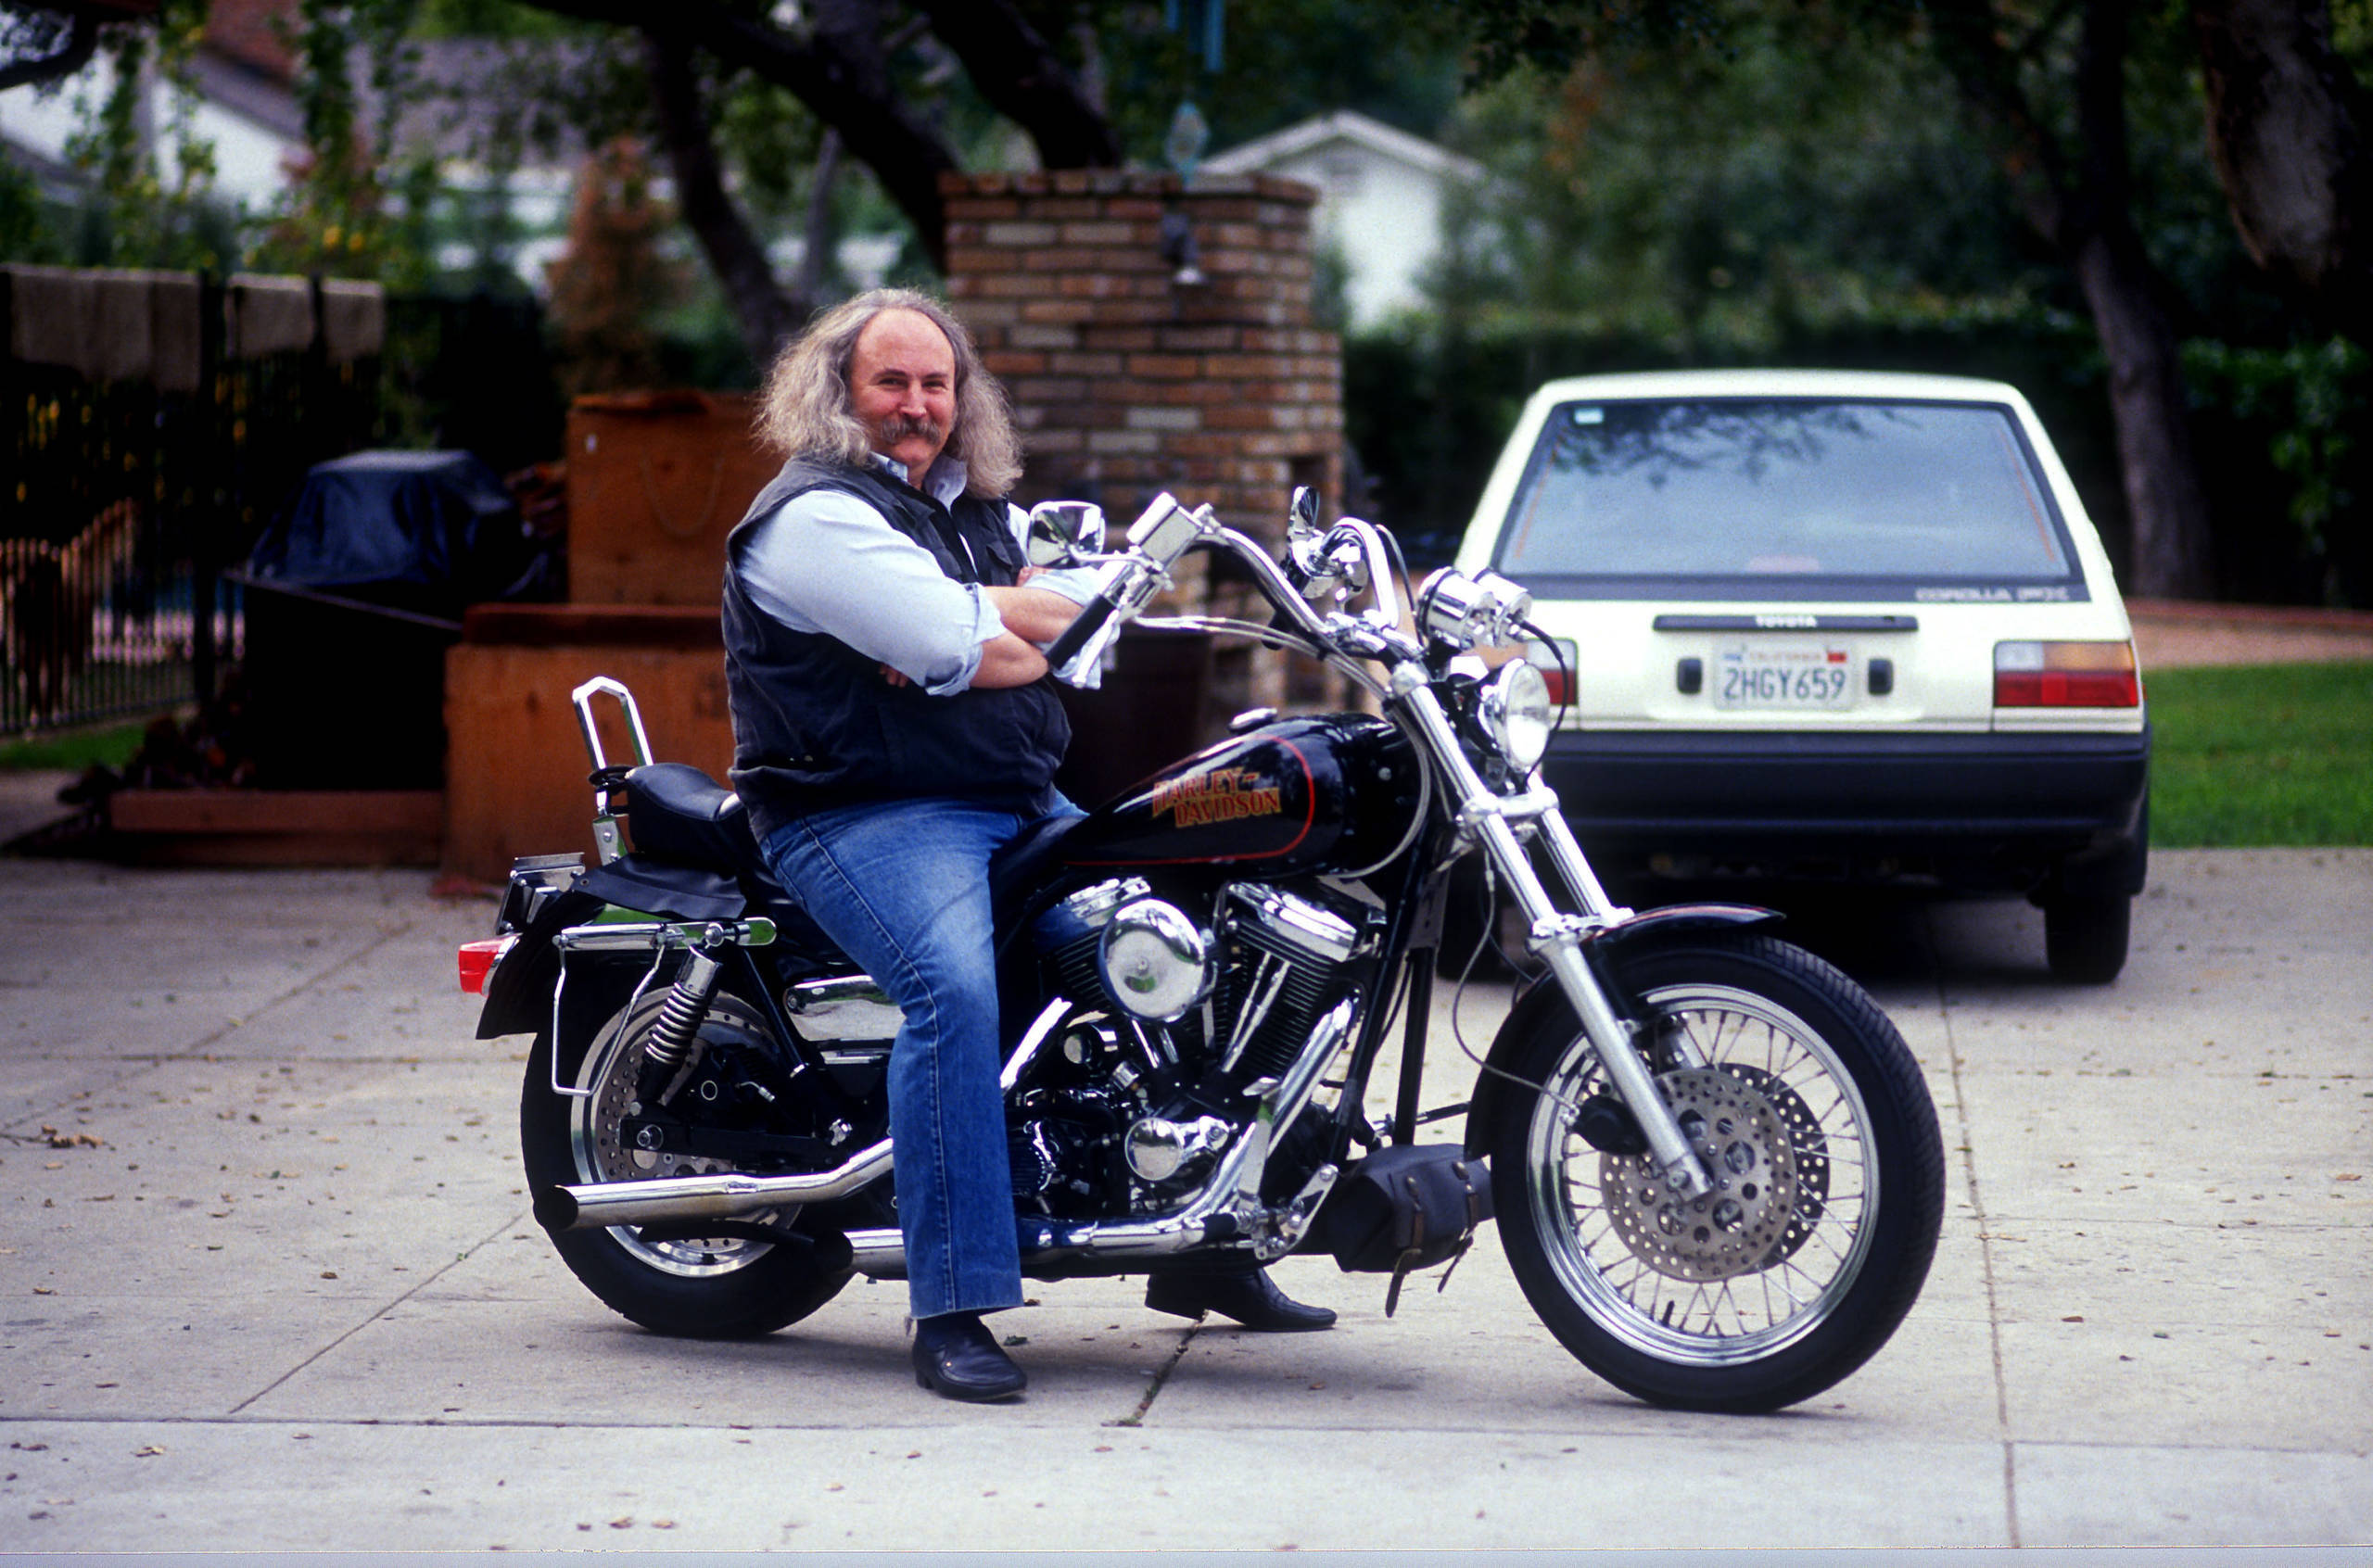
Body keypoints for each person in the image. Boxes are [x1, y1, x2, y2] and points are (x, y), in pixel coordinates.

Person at [723, 288, 1333, 1404]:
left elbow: (1071, 639)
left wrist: (988, 618)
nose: (917, 405)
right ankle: (949, 1303)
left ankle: (1208, 1241)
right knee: (951, 993)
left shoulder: (966, 512)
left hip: (1011, 793)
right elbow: (981, 648)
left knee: (1178, 933)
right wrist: (995, 626)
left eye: (935, 384)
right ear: (839, 393)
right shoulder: (813, 517)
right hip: (863, 812)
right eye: (891, 383)